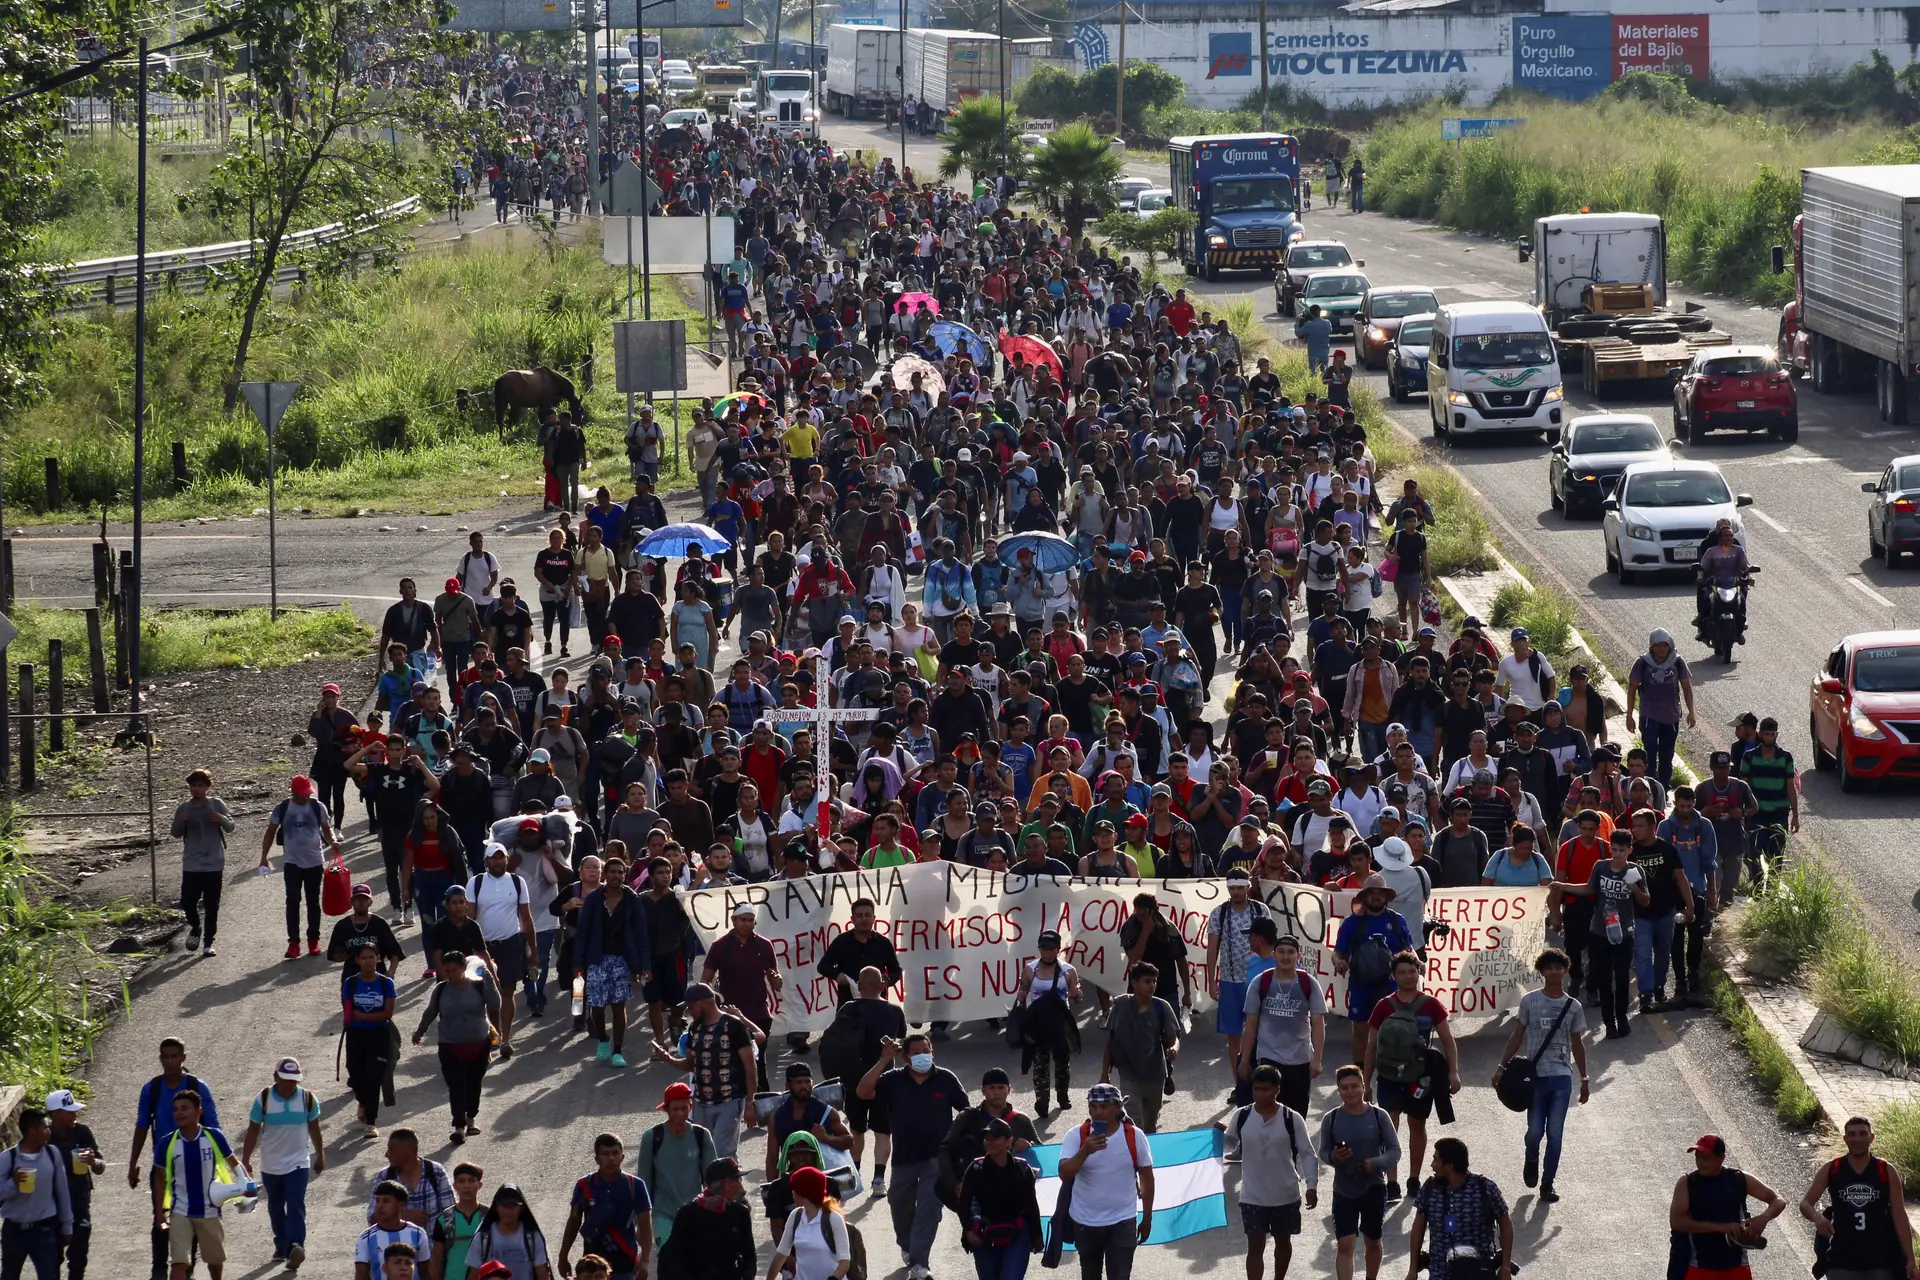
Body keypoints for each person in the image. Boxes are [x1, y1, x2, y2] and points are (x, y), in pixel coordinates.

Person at [856, 1032, 969, 1280]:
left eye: (925, 1051)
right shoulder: (893, 1079)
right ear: (906, 1057)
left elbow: (966, 1110)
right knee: (900, 1205)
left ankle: (920, 1262)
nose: (922, 1056)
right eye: (915, 1052)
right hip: (904, 1158)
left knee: (929, 1208)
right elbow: (863, 1092)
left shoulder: (946, 1079)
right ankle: (908, 1246)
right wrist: (883, 1060)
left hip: (937, 1159)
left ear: (933, 1052)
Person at [1362, 951, 1459, 1203]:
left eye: (1412, 971)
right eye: (1402, 972)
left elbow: (1448, 1040)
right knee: (1389, 1127)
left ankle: (1414, 1179)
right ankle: (1391, 1182)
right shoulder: (1383, 1006)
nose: (1408, 976)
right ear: (1393, 976)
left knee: (1417, 1125)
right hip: (1388, 1076)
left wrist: (1453, 1072)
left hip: (1420, 1078)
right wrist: (1365, 1081)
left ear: (1419, 972)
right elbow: (1371, 1044)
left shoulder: (1431, 1004)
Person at [1492, 950, 1587, 1205]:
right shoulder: (1530, 1002)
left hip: (1561, 1078)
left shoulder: (1573, 1006)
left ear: (1565, 970)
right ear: (1542, 971)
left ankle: (1548, 1183)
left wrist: (1585, 1079)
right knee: (1534, 1132)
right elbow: (1517, 1035)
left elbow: (1577, 1044)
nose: (1554, 972)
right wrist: (1502, 1065)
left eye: (1559, 967)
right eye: (1549, 968)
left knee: (1555, 1133)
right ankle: (1531, 1157)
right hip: (1535, 1078)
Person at [128, 1037, 220, 1280]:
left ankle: (184, 1269)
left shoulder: (198, 1087)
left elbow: (213, 1127)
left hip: (196, 1166)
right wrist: (133, 1163)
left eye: (174, 1056)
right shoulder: (152, 1089)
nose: (169, 1061)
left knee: (194, 1217)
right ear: (160, 1059)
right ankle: (159, 1270)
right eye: (165, 1057)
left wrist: (218, 1167)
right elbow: (142, 1125)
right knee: (161, 1215)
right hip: (164, 1166)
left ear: (183, 1058)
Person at [1798, 1115, 1918, 1280]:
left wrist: (1910, 1259)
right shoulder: (1833, 1169)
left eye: (1862, 1133)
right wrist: (1817, 1218)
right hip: (1840, 1260)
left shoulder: (1885, 1171)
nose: (1857, 1139)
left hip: (1880, 1261)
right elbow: (1805, 1203)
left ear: (1872, 1137)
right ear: (1845, 1139)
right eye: (1852, 1134)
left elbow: (1899, 1215)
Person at [1230, 1065, 1319, 1280]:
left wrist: (1311, 1186)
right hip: (1252, 1195)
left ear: (1277, 1090)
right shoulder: (1241, 1116)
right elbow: (1225, 1144)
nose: (1260, 1094)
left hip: (1285, 1195)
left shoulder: (1292, 1118)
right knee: (1255, 1245)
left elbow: (1307, 1153)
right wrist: (1216, 1135)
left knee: (1282, 1242)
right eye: (1256, 1089)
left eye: (1266, 1089)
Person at [1057, 1083, 1154, 1280]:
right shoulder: (1076, 1135)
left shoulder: (1134, 1136)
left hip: (1123, 1221)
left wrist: (1147, 1217)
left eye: (1104, 1107)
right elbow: (1064, 1173)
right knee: (1090, 1275)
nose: (1097, 1112)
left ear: (1117, 1107)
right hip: (1085, 1222)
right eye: (1093, 1106)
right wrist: (1085, 1150)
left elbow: (1146, 1178)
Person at [652, 983, 758, 1159]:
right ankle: (710, 1187)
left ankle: (730, 1186)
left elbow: (750, 1068)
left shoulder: (734, 1026)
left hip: (730, 1101)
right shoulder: (695, 1028)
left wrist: (749, 1104)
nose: (690, 1012)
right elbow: (691, 1064)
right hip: (702, 1103)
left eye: (691, 1007)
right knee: (704, 1153)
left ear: (704, 1003)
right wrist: (668, 1059)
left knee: (724, 1153)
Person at [240, 1058, 325, 1270]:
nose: (289, 1084)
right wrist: (246, 1159)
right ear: (276, 1077)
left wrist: (320, 1155)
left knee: (295, 1203)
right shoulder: (264, 1098)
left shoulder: (307, 1098)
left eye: (294, 1080)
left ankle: (297, 1246)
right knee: (276, 1207)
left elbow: (314, 1128)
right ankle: (281, 1246)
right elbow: (253, 1130)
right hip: (271, 1164)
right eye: (285, 1079)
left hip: (298, 1162)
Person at [1316, 1065, 1399, 1280]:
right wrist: (1334, 1158)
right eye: (1344, 1088)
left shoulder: (1378, 1116)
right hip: (1343, 1189)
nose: (1350, 1091)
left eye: (1354, 1086)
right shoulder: (1331, 1118)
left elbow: (1394, 1150)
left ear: (1364, 1087)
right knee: (1345, 1242)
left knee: (1372, 1240)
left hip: (1374, 1187)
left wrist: (1376, 1163)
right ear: (1338, 1090)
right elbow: (1323, 1152)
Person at [413, 951, 503, 1144]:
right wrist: (420, 1031)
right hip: (450, 1045)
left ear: (464, 967)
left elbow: (495, 1005)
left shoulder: (479, 986)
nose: (450, 974)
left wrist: (488, 978)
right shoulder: (441, 989)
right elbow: (431, 1011)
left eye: (454, 970)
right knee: (456, 1086)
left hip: (479, 1043)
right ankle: (459, 1126)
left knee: (473, 1083)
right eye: (447, 970)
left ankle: (471, 1119)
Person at [1669, 1134, 1787, 1280]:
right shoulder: (1687, 1183)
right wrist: (1721, 1227)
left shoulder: (1738, 1179)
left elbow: (1778, 1200)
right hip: (1697, 1267)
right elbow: (1677, 1222)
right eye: (1697, 1157)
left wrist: (1764, 1218)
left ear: (1721, 1158)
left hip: (1736, 1267)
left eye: (1705, 1158)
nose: (1699, 1162)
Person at [154, 1089, 243, 1280]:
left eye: (184, 1108)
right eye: (175, 1109)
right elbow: (159, 1178)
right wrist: (160, 1213)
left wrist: (247, 1185)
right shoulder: (167, 1143)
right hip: (180, 1210)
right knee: (179, 1262)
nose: (179, 1113)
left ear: (198, 1112)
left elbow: (234, 1163)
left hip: (209, 1209)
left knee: (215, 1260)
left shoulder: (213, 1137)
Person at [1237, 930, 1326, 1118]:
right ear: (1273, 954)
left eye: (1290, 952)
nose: (1286, 956)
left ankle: (1293, 1148)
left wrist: (1317, 1059)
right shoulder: (1260, 982)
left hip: (1300, 1059)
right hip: (1269, 1057)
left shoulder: (1308, 983)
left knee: (1296, 1115)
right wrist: (1244, 1060)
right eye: (1281, 951)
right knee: (1266, 1112)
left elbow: (1318, 1023)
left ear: (1298, 956)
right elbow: (1251, 1024)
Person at [574, 856, 652, 1067]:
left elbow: (640, 933)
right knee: (597, 1007)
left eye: (620, 872)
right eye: (612, 872)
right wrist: (578, 962)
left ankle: (617, 1051)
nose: (616, 876)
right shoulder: (594, 899)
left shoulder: (631, 898)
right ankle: (603, 1038)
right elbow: (582, 932)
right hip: (596, 959)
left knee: (619, 1006)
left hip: (622, 960)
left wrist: (644, 965)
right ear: (604, 874)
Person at [260, 774, 346, 959]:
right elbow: (270, 832)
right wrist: (264, 857)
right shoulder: (282, 808)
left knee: (313, 901)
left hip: (314, 861)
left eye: (308, 793)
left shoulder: (317, 806)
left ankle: (313, 940)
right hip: (292, 863)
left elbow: (326, 827)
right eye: (302, 793)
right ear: (293, 792)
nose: (306, 796)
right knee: (292, 901)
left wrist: (333, 841)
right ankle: (293, 943)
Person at [1405, 1139, 1511, 1280]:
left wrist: (1505, 1266)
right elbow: (1418, 1228)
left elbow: (1505, 1224)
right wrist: (1413, 1270)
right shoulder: (1430, 1189)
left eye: (1436, 1160)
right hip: (1440, 1274)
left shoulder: (1485, 1188)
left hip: (1478, 1273)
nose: (1432, 1165)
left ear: (1449, 1166)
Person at [469, 842, 538, 1058]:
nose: (497, 861)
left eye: (501, 857)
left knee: (507, 991)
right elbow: (469, 916)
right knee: (480, 994)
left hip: (510, 944)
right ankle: (491, 1035)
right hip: (482, 948)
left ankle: (506, 1039)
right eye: (493, 857)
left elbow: (526, 918)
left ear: (506, 860)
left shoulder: (518, 883)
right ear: (486, 861)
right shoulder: (476, 882)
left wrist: (533, 951)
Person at [954, 1116, 1043, 1280]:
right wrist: (968, 1230)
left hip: (1017, 1234)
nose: (989, 1141)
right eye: (987, 1137)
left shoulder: (1022, 1169)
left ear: (1008, 1142)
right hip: (985, 1235)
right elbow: (964, 1204)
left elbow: (1031, 1205)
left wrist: (1037, 1235)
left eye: (995, 1138)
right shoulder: (975, 1169)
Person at [1205, 868, 1272, 1083]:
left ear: (1248, 887)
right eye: (1232, 888)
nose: (1236, 892)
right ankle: (1239, 1083)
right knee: (1233, 1035)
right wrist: (1211, 982)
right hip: (1229, 980)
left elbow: (1270, 945)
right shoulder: (1219, 913)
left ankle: (1261, 1081)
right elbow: (1212, 949)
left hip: (1258, 980)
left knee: (1261, 1034)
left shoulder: (1260, 911)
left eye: (1240, 888)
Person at [1099, 963, 1181, 1133]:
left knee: (1150, 1125)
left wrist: (1174, 1049)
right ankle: (1134, 1157)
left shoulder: (1161, 1007)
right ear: (1134, 983)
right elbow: (1110, 1041)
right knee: (1134, 1123)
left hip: (1155, 1075)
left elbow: (1173, 1038)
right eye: (1147, 981)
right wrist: (1104, 1074)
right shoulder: (1120, 1006)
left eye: (1154, 981)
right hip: (1129, 1074)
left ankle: (1148, 1157)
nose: (1152, 986)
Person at [557, 1134, 652, 1280]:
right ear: (596, 1159)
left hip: (625, 1265)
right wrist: (563, 1256)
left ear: (623, 1157)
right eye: (606, 1154)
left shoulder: (636, 1185)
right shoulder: (584, 1185)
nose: (611, 1158)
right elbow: (573, 1222)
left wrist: (645, 1260)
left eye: (615, 1153)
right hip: (592, 1270)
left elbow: (645, 1225)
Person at [633, 1085, 717, 1247]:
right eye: (675, 1109)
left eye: (684, 1108)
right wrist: (641, 1223)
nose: (680, 1113)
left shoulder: (701, 1135)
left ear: (690, 1107)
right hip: (662, 1212)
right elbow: (644, 1181)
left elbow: (712, 1179)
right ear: (666, 1109)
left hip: (695, 1211)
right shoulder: (652, 1137)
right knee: (668, 1260)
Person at [0, 1108, 74, 1280]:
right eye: (45, 1127)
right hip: (14, 1231)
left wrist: (67, 1225)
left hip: (44, 1230)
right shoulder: (7, 1159)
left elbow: (62, 1191)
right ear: (32, 1130)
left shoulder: (52, 1154)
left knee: (49, 1275)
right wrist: (13, 1183)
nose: (49, 1131)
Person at [656, 1159, 755, 1280]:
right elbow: (671, 1256)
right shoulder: (688, 1213)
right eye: (734, 1180)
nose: (739, 1185)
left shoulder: (740, 1213)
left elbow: (749, 1255)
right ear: (720, 1185)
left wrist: (747, 1275)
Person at [172, 769, 234, 957]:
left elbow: (231, 827)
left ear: (207, 787)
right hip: (192, 863)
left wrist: (220, 818)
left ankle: (208, 943)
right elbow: (175, 833)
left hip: (214, 863)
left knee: (212, 905)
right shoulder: (184, 808)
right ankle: (196, 926)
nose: (196, 789)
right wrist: (182, 822)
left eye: (200, 785)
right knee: (187, 902)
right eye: (193, 785)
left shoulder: (216, 804)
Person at [343, 942, 399, 1139]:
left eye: (371, 957)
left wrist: (363, 1016)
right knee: (355, 1072)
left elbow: (387, 1014)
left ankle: (371, 1122)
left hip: (379, 1035)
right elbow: (349, 1012)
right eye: (363, 957)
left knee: (374, 1077)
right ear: (357, 960)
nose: (368, 961)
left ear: (378, 959)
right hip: (356, 1035)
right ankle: (362, 1101)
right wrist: (361, 1017)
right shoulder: (350, 983)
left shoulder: (386, 984)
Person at [42, 1090, 99, 1280]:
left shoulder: (82, 1132)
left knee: (78, 1258)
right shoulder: (43, 1138)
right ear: (56, 1114)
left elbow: (100, 1166)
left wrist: (93, 1161)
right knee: (51, 1259)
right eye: (69, 1111)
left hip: (79, 1203)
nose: (75, 1114)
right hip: (52, 1206)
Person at [1627, 629, 1694, 789]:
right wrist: (1629, 715)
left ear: (1669, 646)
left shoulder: (1677, 662)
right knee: (1650, 750)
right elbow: (1632, 688)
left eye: (1664, 645)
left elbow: (1686, 686)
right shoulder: (1642, 663)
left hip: (1670, 717)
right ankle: (1649, 784)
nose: (1661, 649)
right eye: (1657, 646)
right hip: (1649, 716)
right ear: (1652, 647)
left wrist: (1691, 711)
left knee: (1667, 754)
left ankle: (1663, 786)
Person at [764, 1165, 853, 1280]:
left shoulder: (833, 1219)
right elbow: (781, 1254)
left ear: (805, 1192)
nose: (792, 1193)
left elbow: (845, 1262)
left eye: (795, 1189)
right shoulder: (795, 1216)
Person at [469, 1184, 551, 1280]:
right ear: (496, 1207)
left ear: (521, 1208)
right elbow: (473, 1275)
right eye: (504, 1206)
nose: (508, 1211)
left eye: (513, 1206)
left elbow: (542, 1274)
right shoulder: (483, 1238)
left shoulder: (532, 1237)